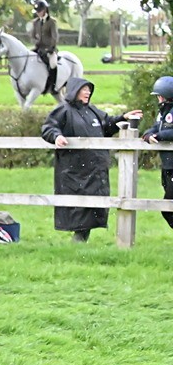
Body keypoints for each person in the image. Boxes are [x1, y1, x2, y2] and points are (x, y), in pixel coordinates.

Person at [40, 76, 142, 242]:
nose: (87, 92)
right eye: (83, 89)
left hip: (95, 171)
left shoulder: (92, 111)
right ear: (74, 91)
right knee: (80, 210)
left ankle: (79, 245)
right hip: (74, 171)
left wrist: (123, 118)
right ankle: (77, 245)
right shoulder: (63, 110)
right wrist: (56, 136)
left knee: (93, 209)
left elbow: (107, 124)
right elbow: (49, 127)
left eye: (89, 89)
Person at [142, 75, 173, 229]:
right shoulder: (163, 113)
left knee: (168, 207)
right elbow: (155, 128)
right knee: (168, 207)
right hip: (167, 165)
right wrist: (148, 135)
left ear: (164, 96)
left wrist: (160, 136)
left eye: (159, 96)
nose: (158, 99)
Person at [31, 0, 59, 95]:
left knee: (53, 64)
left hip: (49, 49)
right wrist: (36, 42)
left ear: (45, 10)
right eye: (37, 11)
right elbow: (32, 36)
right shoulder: (35, 22)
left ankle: (53, 86)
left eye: (40, 11)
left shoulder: (52, 22)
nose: (38, 13)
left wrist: (51, 48)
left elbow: (54, 37)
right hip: (39, 48)